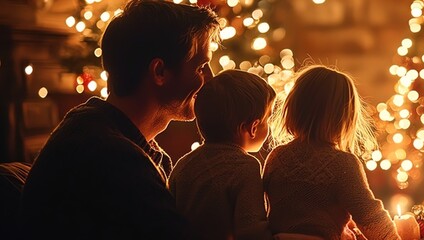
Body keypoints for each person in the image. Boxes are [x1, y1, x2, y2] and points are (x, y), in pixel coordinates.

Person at [18, 1, 219, 239]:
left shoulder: (116, 138)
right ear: (159, 72)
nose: (211, 79)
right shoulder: (108, 155)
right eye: (201, 67)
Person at [264, 66, 399, 240]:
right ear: (345, 118)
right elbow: (369, 217)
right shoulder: (343, 163)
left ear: (292, 108)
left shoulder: (277, 157)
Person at [168, 70, 275, 240]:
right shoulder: (246, 167)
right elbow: (251, 229)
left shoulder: (183, 164)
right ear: (253, 127)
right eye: (267, 119)